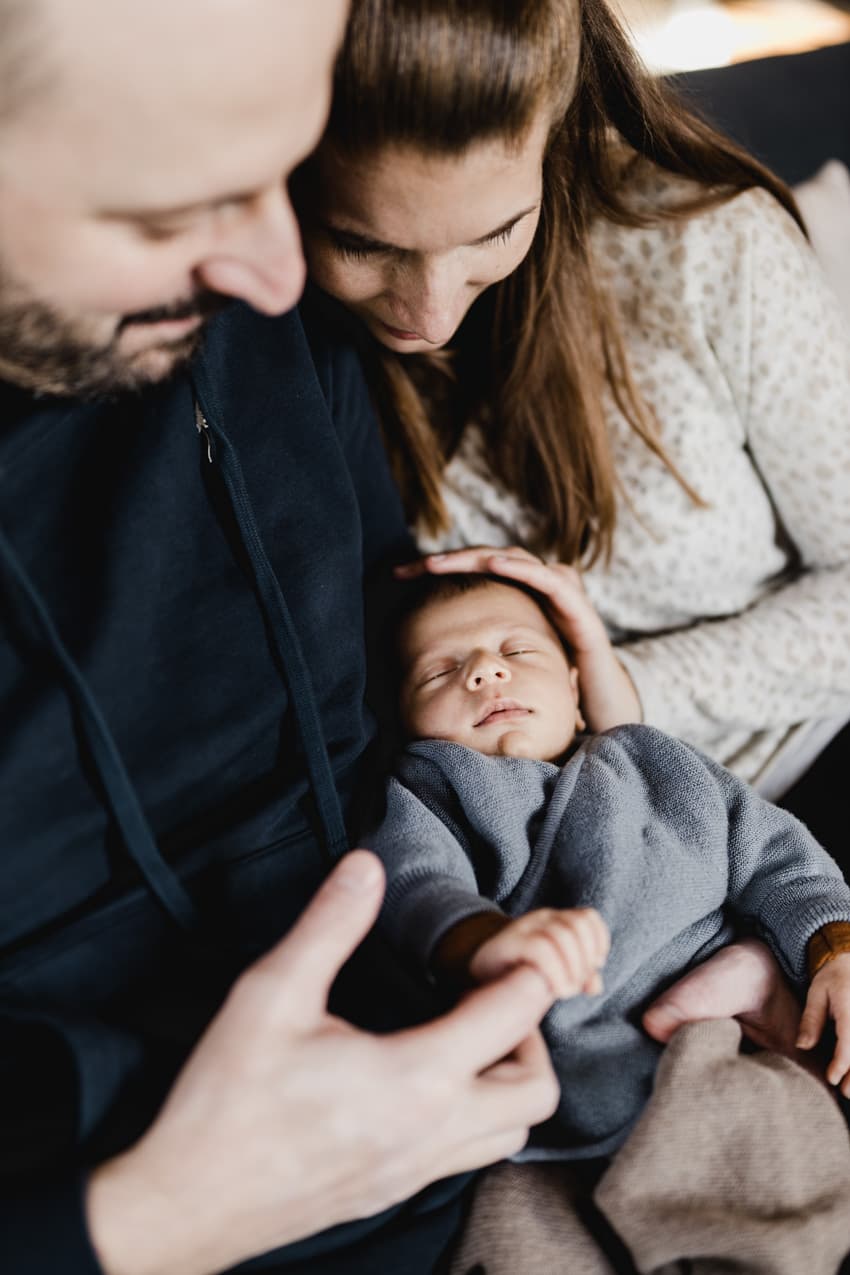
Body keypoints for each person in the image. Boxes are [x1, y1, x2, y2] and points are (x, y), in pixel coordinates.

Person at [0, 3, 568, 1273]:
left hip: (485, 1121)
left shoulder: (253, 311)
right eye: (175, 211)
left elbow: (389, 657)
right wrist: (158, 1220)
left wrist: (613, 775)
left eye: (285, 175)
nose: (279, 271)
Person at [298, 0, 850, 865]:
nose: (429, 316)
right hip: (571, 851)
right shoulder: (285, 347)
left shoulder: (706, 247)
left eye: (496, 231)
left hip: (809, 762)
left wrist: (625, 687)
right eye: (362, 244)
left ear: (551, 144)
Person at [365, 571, 850, 1161]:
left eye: (517, 652)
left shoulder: (648, 756)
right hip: (598, 1038)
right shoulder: (430, 791)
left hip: (738, 965)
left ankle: (758, 995)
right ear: (408, 722)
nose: (485, 672)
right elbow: (412, 878)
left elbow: (778, 854)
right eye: (440, 672)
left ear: (576, 694)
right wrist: (481, 938)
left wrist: (835, 947)